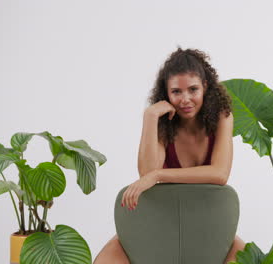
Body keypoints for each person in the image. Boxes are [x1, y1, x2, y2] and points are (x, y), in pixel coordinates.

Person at [93, 48, 245, 264]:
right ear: (166, 93)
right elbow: (146, 172)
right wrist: (149, 117)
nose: (186, 99)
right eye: (176, 92)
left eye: (193, 89)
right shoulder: (165, 123)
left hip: (206, 221)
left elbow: (220, 174)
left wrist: (159, 175)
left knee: (250, 258)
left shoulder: (222, 116)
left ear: (205, 87)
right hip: (159, 218)